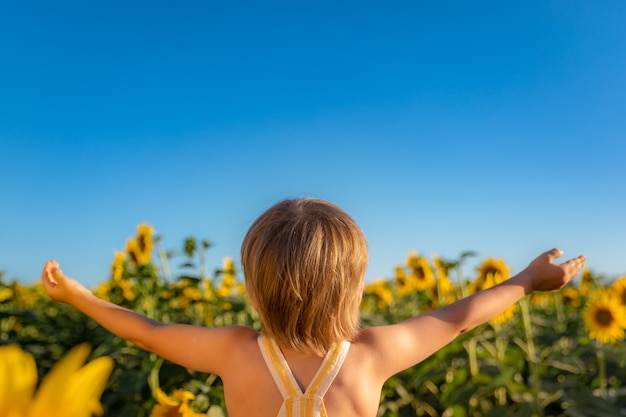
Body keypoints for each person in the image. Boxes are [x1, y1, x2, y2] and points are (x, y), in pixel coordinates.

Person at [42, 198, 586, 417]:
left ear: (253, 290)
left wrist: (81, 296)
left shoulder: (233, 353)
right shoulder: (372, 355)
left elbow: (149, 330)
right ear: (354, 288)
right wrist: (527, 279)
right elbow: (459, 315)